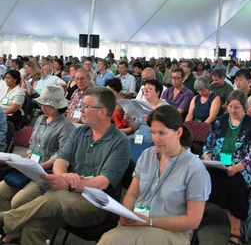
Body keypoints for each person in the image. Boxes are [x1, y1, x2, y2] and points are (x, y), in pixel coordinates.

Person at [0, 87, 130, 244]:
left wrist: (68, 183)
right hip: (68, 196)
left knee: (56, 196)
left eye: (86, 106)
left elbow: (103, 182)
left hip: (96, 204)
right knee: (33, 226)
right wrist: (63, 175)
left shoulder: (120, 142)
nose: (80, 109)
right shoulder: (80, 132)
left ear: (102, 112)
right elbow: (61, 159)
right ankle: (8, 222)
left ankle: (4, 221)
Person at [98, 105, 211, 245]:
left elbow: (193, 221)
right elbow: (133, 194)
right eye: (153, 132)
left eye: (162, 133)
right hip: (139, 222)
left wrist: (150, 222)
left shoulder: (194, 168)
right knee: (112, 239)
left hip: (171, 232)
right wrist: (126, 213)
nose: (155, 139)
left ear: (178, 132)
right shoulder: (148, 155)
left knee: (111, 241)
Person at [0, 85, 75, 243]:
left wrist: (41, 166)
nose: (43, 108)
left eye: (48, 105)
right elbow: (33, 144)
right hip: (31, 167)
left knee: (18, 201)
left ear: (58, 106)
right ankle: (12, 229)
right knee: (1, 191)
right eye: (42, 104)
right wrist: (27, 158)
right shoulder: (41, 119)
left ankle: (15, 227)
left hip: (47, 173)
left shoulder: (66, 126)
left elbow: (61, 155)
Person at [202, 90, 251, 245]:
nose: (232, 111)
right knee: (198, 176)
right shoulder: (219, 121)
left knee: (233, 186)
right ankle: (199, 213)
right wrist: (207, 157)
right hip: (218, 163)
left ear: (244, 107)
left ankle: (236, 231)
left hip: (243, 167)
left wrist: (236, 168)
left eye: (237, 108)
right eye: (230, 107)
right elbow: (208, 143)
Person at [125, 80, 168, 163]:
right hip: (136, 139)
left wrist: (151, 121)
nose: (146, 91)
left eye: (149, 89)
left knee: (133, 160)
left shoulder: (165, 107)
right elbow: (136, 127)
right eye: (144, 89)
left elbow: (165, 130)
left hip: (152, 142)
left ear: (158, 92)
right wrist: (130, 120)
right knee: (121, 154)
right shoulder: (141, 105)